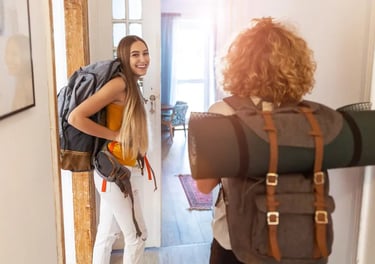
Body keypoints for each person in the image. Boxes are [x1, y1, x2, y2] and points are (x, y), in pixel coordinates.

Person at [195, 17, 317, 264]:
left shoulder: (222, 112)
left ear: (239, 63)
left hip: (236, 243)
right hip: (294, 241)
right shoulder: (309, 116)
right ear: (296, 64)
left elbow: (204, 186)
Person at [68, 35, 150, 264]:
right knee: (138, 236)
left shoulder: (131, 84)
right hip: (115, 172)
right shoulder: (120, 84)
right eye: (135, 54)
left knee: (107, 234)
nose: (143, 59)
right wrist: (115, 136)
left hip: (115, 171)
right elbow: (75, 117)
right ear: (124, 57)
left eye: (145, 52)